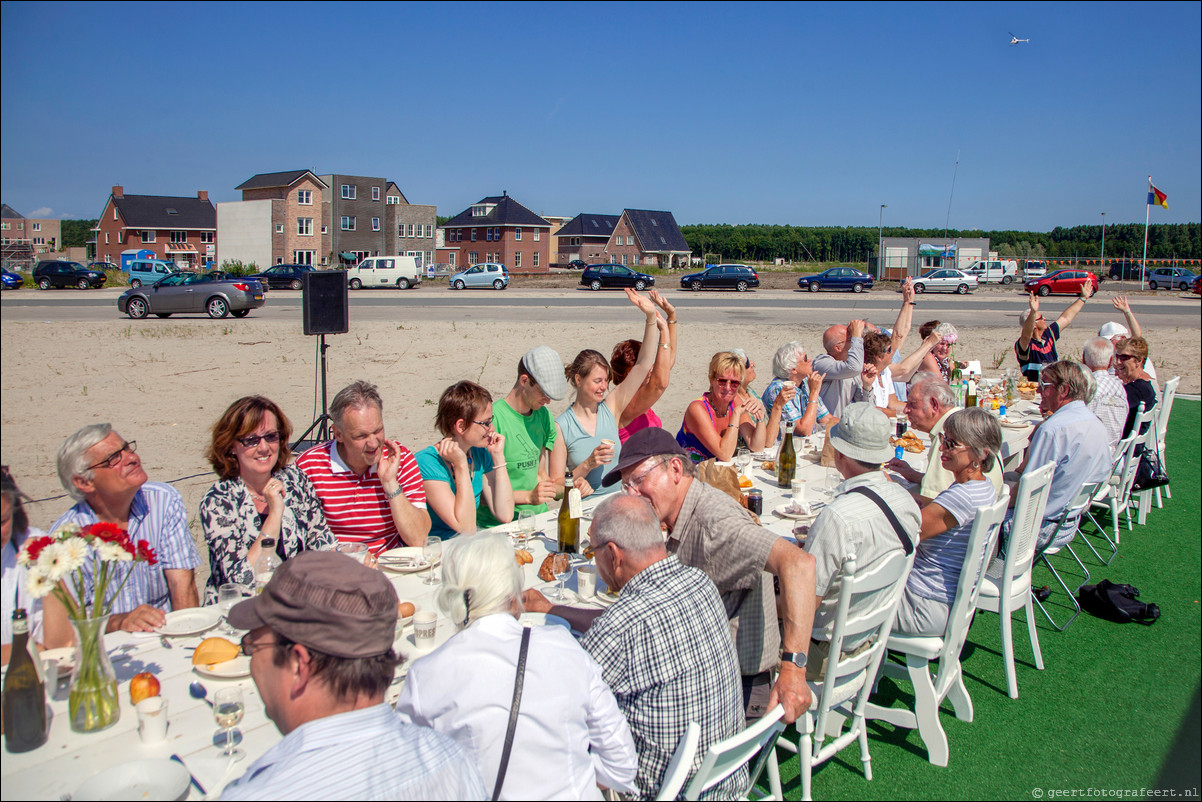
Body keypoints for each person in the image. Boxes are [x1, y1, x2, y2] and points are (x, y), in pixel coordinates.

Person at [523, 495, 744, 800]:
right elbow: (623, 619)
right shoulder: (699, 582)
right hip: (724, 778)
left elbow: (559, 704)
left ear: (613, 554)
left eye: (593, 550)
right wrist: (553, 609)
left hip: (664, 790)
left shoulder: (622, 626)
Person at [221, 551, 486, 800]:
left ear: (298, 665)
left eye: (253, 646)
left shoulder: (255, 794)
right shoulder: (452, 761)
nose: (253, 663)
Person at [598, 428, 818, 724]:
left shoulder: (714, 525)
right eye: (627, 487)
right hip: (711, 672)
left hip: (736, 690)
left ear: (675, 468)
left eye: (638, 480)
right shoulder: (685, 511)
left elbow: (799, 564)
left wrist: (793, 670)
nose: (633, 494)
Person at [395, 534, 637, 800]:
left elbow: (406, 782)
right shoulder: (565, 647)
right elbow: (621, 766)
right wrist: (568, 773)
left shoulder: (426, 675)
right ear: (513, 594)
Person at [803, 404, 921, 677]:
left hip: (824, 650)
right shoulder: (905, 500)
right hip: (868, 635)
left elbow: (806, 604)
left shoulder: (837, 518)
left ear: (840, 453)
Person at [50, 424, 200, 633]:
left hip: (165, 634)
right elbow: (68, 624)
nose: (132, 458)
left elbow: (182, 586)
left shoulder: (162, 500)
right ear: (83, 482)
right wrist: (119, 622)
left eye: (127, 448)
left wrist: (186, 637)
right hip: (104, 650)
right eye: (113, 459)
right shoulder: (65, 541)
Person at [200, 396, 335, 603]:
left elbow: (322, 544)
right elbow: (242, 581)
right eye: (251, 440)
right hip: (239, 610)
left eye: (271, 437)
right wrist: (274, 514)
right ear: (230, 446)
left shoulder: (295, 480)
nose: (263, 448)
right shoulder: (218, 502)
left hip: (297, 603)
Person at [894, 408, 1002, 636]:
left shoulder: (961, 497)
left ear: (980, 454)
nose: (942, 448)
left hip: (923, 606)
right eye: (944, 440)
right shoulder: (981, 488)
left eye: (952, 444)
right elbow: (939, 510)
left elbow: (904, 533)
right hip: (944, 601)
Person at [296, 381, 430, 556]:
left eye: (378, 431)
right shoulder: (309, 467)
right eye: (361, 436)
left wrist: (390, 484)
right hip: (333, 567)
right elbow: (299, 539)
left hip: (389, 565)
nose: (373, 443)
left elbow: (419, 539)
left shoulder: (400, 458)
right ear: (338, 434)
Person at [556, 289, 662, 496]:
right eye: (597, 381)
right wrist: (587, 465)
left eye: (605, 380)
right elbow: (557, 487)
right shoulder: (561, 426)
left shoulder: (611, 408)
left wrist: (650, 317)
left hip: (620, 501)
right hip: (585, 511)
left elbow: (643, 364)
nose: (604, 386)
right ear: (578, 380)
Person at [1009, 360, 1112, 548]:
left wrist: (993, 504)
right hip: (1069, 523)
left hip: (1037, 529)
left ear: (1063, 390)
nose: (1039, 391)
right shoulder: (1095, 423)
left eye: (1044, 385)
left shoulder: (1053, 430)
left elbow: (1027, 491)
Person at [479, 346, 568, 528]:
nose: (548, 401)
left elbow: (540, 474)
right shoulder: (492, 420)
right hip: (499, 524)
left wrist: (565, 488)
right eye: (543, 393)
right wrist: (528, 496)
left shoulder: (543, 416)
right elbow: (480, 493)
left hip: (539, 517)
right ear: (524, 381)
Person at [416, 381, 513, 538]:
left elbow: (505, 513)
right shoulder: (428, 463)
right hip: (437, 550)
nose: (492, 429)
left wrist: (498, 457)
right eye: (485, 423)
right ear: (461, 426)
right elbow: (466, 527)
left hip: (464, 546)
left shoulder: (478, 453)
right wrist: (461, 465)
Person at [885, 373, 1004, 500]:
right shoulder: (967, 423)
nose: (906, 410)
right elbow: (948, 484)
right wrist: (913, 475)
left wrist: (890, 487)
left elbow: (933, 501)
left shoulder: (950, 438)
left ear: (934, 405)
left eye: (912, 404)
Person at [611, 290, 679, 443]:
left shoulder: (645, 384)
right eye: (641, 369)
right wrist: (662, 330)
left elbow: (670, 358)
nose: (649, 371)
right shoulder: (623, 403)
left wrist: (671, 316)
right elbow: (660, 384)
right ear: (626, 375)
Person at [676, 351, 769, 462]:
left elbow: (757, 447)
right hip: (689, 473)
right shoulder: (697, 409)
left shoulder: (735, 401)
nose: (728, 388)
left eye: (734, 383)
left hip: (716, 473)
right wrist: (736, 414)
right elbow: (724, 454)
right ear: (712, 380)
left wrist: (760, 417)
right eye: (722, 381)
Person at [2, 469, 45, 664]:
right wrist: (18, 651)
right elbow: (36, 648)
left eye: (2, 521)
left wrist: (53, 572)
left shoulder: (32, 547)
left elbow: (60, 645)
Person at [1014, 281, 1093, 380]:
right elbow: (1026, 335)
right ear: (1034, 324)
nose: (1044, 318)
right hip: (1034, 389)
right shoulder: (1026, 345)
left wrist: (1083, 298)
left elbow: (1065, 318)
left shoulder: (1048, 335)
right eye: (1041, 318)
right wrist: (1033, 312)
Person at [854, 328, 940, 417]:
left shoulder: (885, 372)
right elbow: (875, 409)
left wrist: (921, 409)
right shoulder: (867, 375)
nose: (892, 353)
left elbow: (893, 403)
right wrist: (910, 415)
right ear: (879, 356)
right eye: (889, 350)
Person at [761, 341, 833, 442]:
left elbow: (826, 419)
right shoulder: (779, 390)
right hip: (784, 449)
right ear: (793, 369)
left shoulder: (803, 384)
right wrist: (814, 393)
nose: (809, 360)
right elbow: (804, 429)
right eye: (805, 358)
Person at [1081, 337, 1128, 452]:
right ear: (1111, 360)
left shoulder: (1086, 388)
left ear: (1083, 359)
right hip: (1114, 454)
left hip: (1089, 454)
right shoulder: (1120, 388)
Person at [1100, 296, 1159, 385]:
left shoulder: (1132, 355)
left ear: (1124, 338)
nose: (1108, 345)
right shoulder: (1117, 357)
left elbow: (1138, 337)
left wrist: (1127, 312)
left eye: (1113, 340)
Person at [814, 319, 867, 418]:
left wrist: (867, 386)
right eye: (850, 340)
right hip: (826, 429)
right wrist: (856, 336)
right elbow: (854, 368)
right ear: (837, 348)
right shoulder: (821, 363)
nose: (854, 343)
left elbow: (866, 409)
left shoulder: (851, 366)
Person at [1114, 336, 1157, 439]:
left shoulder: (1135, 391)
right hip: (1134, 447)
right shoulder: (1145, 385)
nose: (1118, 362)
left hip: (1123, 450)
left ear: (1138, 361)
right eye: (1117, 356)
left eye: (1124, 357)